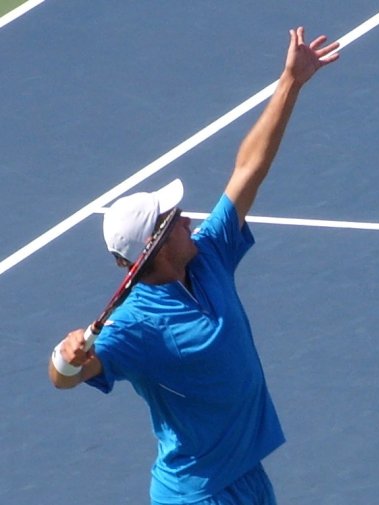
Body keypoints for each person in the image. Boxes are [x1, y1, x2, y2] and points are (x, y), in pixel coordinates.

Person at [49, 27, 339, 505]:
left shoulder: (209, 256)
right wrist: (65, 357)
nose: (188, 219)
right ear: (156, 247)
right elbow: (66, 377)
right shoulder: (136, 326)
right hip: (198, 496)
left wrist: (291, 82)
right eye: (174, 220)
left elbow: (248, 169)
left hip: (246, 476)